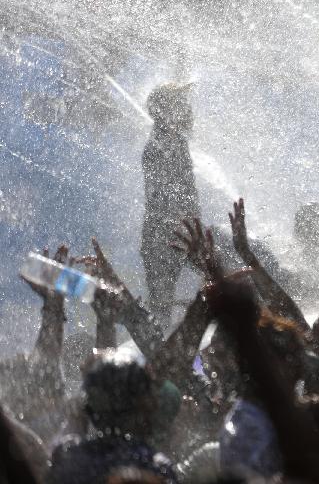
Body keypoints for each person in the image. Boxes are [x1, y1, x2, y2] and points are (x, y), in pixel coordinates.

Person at [47, 350, 178, 484]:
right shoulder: (156, 467)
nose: (155, 403)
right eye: (150, 395)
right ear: (141, 407)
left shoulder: (69, 457)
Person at [141, 83, 200, 328]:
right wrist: (188, 228)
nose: (188, 109)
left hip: (175, 232)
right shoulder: (161, 147)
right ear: (166, 110)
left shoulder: (173, 141)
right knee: (161, 309)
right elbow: (168, 198)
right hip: (167, 236)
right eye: (180, 103)